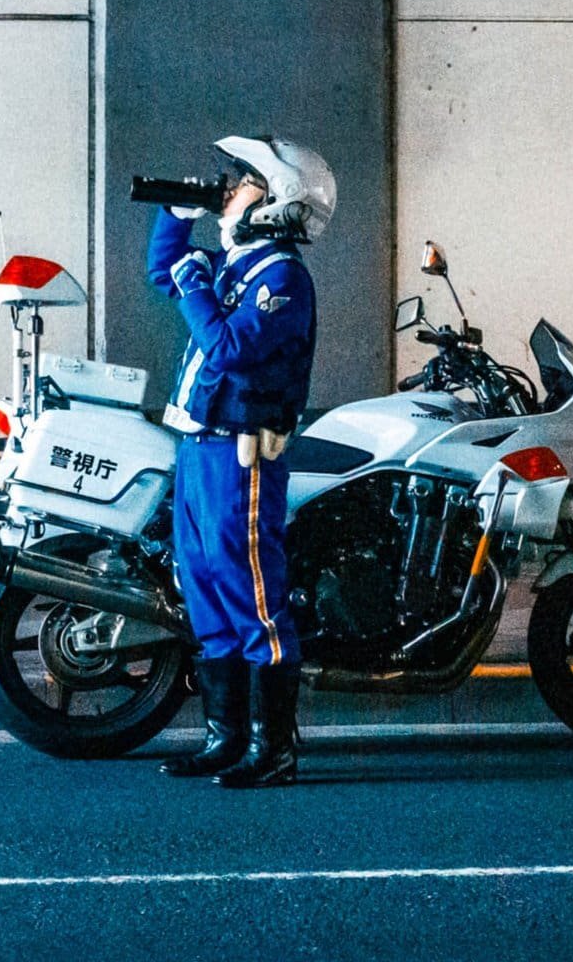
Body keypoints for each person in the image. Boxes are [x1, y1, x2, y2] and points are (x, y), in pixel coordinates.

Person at [147, 134, 334, 788]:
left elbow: (228, 349)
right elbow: (159, 272)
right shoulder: (235, 264)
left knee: (251, 590)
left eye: (245, 178)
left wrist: (195, 283)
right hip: (201, 446)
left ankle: (273, 748)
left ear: (280, 201)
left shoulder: (280, 278)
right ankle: (226, 739)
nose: (229, 186)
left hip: (246, 451)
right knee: (204, 584)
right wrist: (174, 222)